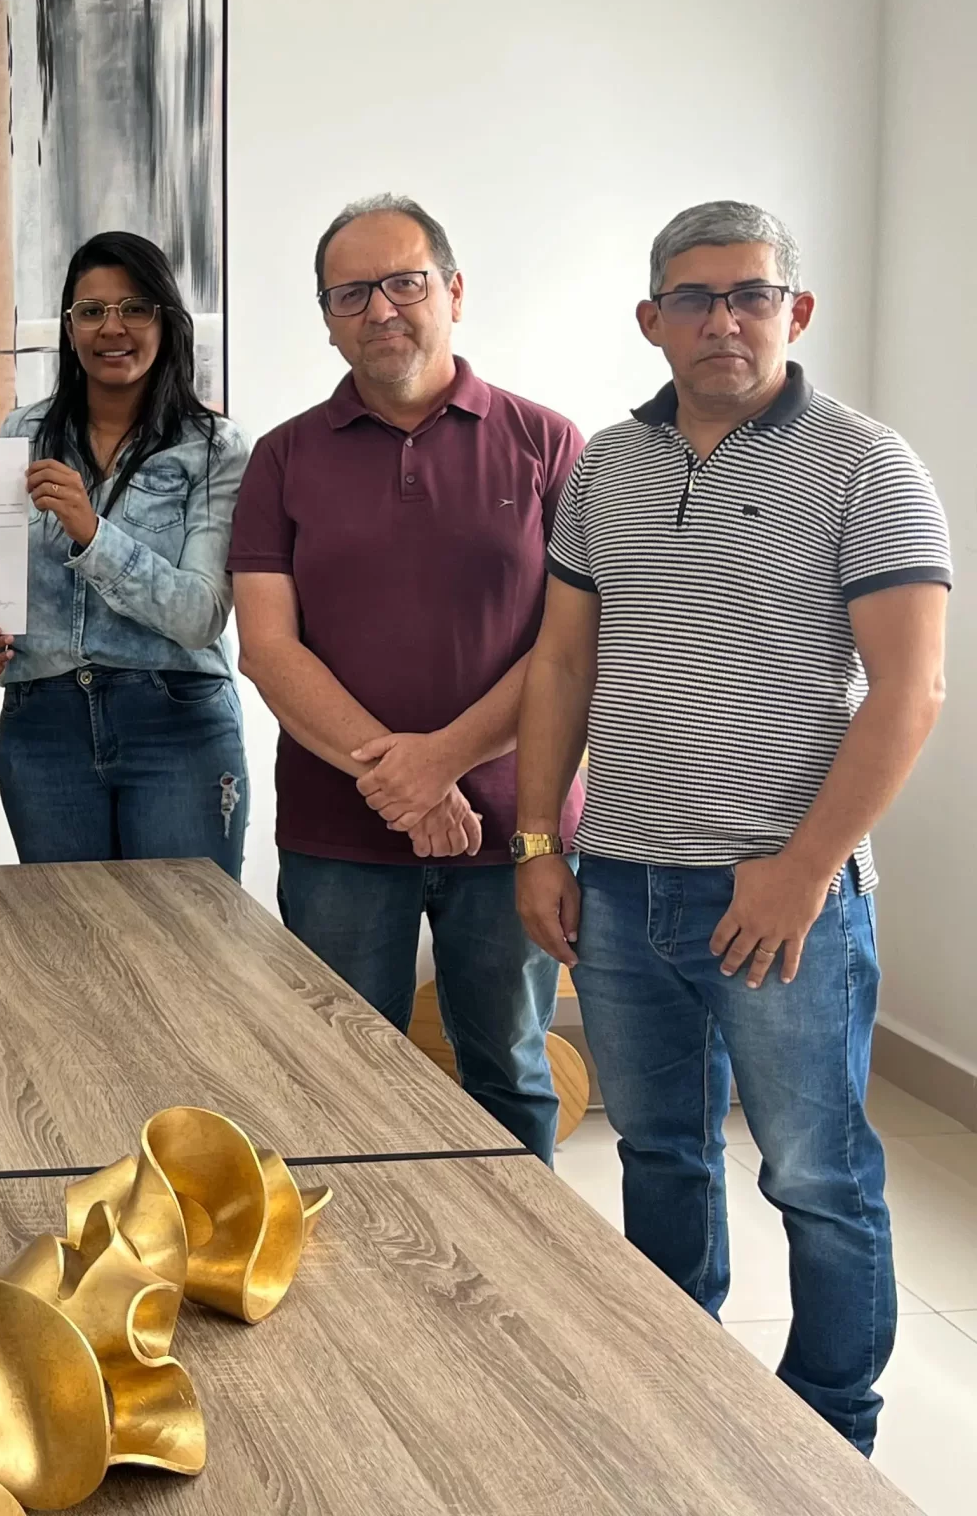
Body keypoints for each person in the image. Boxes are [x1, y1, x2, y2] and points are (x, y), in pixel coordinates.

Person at [514, 201, 950, 1451]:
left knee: (815, 1177)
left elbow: (911, 689)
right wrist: (539, 842)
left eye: (751, 294)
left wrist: (803, 870)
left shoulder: (866, 465)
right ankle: (679, 1396)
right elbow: (562, 665)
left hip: (779, 899)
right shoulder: (606, 465)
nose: (724, 320)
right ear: (650, 320)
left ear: (793, 311)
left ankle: (830, 1433)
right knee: (657, 1153)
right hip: (620, 881)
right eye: (694, 298)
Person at [231, 195, 582, 1163]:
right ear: (326, 318)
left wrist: (441, 764)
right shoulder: (282, 458)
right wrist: (406, 781)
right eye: (350, 293)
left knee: (511, 1073)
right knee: (336, 1082)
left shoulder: (548, 444)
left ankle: (516, 1252)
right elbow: (268, 648)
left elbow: (572, 646)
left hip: (515, 830)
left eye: (404, 283)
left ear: (454, 292)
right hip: (338, 836)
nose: (380, 309)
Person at [0, 232, 251, 870]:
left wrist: (93, 534)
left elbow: (201, 616)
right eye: (91, 311)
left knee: (186, 930)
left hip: (175, 722)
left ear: (166, 321)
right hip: (43, 726)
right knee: (68, 933)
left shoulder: (214, 448)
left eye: (135, 308)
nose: (112, 328)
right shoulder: (21, 434)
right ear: (70, 328)